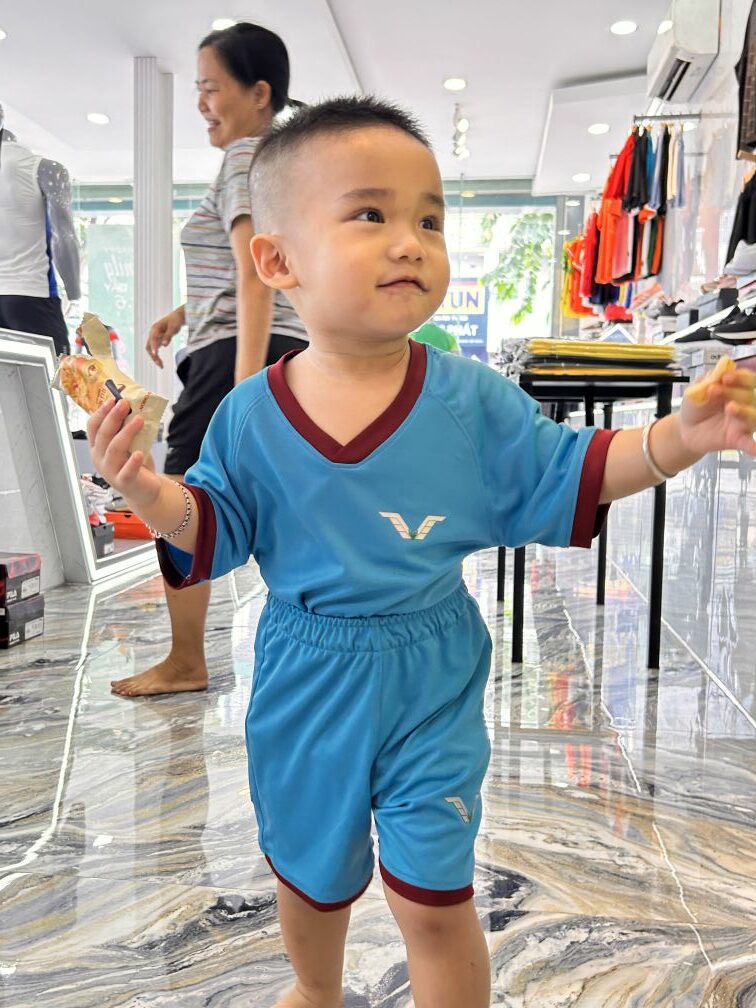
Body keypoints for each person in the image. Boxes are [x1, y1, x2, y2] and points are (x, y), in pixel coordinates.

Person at [88, 97, 756, 1007]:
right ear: (277, 261)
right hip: (305, 677)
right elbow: (211, 523)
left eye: (430, 221)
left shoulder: (470, 401)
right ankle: (315, 990)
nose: (410, 242)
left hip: (431, 673)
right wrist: (144, 490)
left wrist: (679, 436)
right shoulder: (249, 416)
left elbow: (579, 468)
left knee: (436, 897)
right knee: (309, 880)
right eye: (371, 214)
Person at [111, 22, 307, 698]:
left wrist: (246, 383)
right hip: (265, 343)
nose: (201, 102)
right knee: (283, 494)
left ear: (259, 93)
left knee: (179, 497)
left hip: (236, 355)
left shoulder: (245, 157)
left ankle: (186, 659)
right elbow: (256, 267)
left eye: (210, 88)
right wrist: (184, 312)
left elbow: (255, 273)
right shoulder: (276, 162)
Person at [0, 103, 80, 356]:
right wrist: (74, 293)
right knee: (58, 375)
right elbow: (63, 236)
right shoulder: (42, 168)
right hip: (32, 294)